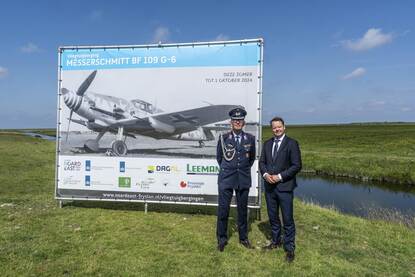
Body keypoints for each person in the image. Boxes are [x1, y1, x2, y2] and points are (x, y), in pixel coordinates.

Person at [259, 116, 302, 262]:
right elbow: (262, 162)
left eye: (279, 126)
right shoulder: (267, 144)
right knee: (273, 217)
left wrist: (279, 176)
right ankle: (276, 242)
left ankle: (289, 249)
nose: (276, 129)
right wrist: (265, 175)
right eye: (274, 127)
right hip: (269, 188)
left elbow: (296, 166)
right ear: (271, 129)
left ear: (284, 127)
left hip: (284, 188)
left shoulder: (292, 144)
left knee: (287, 219)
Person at [216, 107, 256, 252]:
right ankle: (221, 239)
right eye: (235, 120)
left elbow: (251, 159)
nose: (237, 122)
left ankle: (243, 238)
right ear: (230, 122)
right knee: (223, 210)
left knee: (242, 211)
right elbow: (220, 158)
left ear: (243, 122)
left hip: (243, 179)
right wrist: (230, 169)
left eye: (240, 120)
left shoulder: (250, 139)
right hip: (226, 179)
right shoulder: (223, 138)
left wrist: (240, 170)